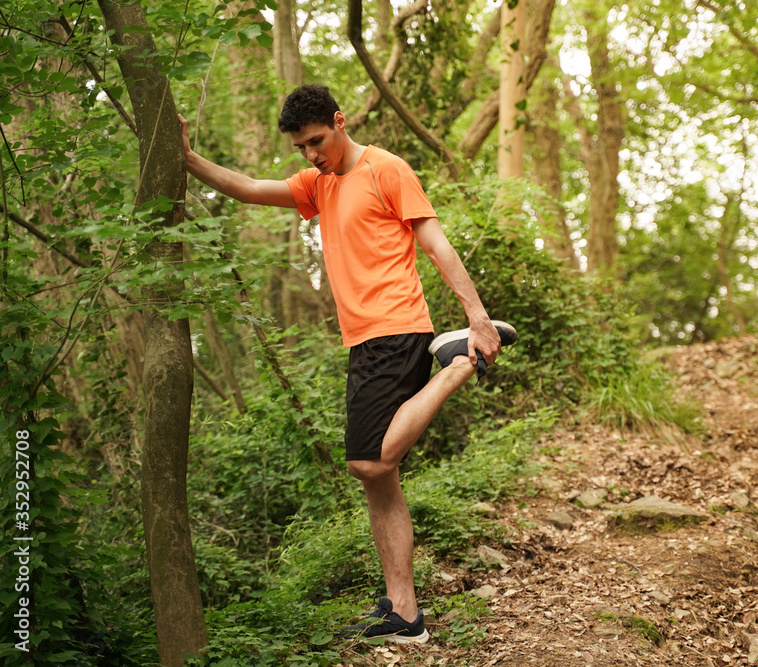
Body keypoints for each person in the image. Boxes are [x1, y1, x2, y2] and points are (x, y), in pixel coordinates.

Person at [177, 84, 516, 644]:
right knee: (380, 485)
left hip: (398, 327)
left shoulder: (386, 169)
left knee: (368, 462)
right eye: (301, 147)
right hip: (363, 341)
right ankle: (403, 614)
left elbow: (435, 242)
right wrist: (189, 160)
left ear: (339, 121)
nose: (311, 155)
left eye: (317, 141)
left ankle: (457, 363)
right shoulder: (317, 184)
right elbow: (248, 188)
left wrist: (476, 316)